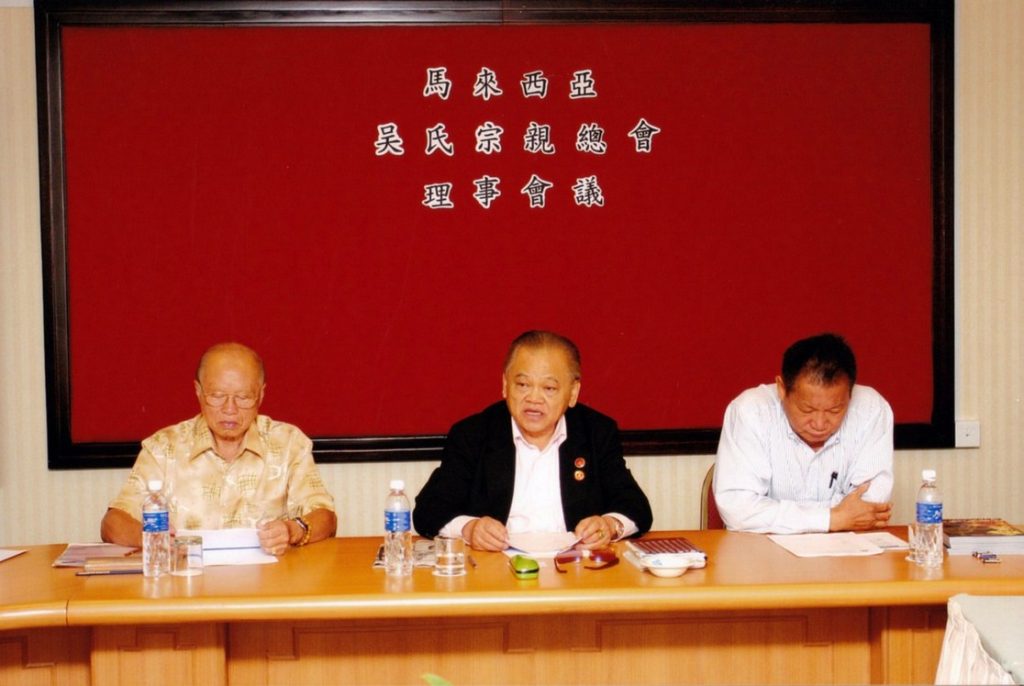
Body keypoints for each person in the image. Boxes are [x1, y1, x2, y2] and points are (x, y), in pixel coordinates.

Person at [413, 330, 653, 551]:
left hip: (576, 569)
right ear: (505, 385)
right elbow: (428, 510)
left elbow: (636, 507)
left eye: (549, 388)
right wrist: (470, 528)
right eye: (523, 384)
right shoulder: (473, 434)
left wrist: (609, 525)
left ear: (573, 393)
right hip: (497, 570)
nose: (534, 398)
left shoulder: (596, 432)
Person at [101, 342, 336, 555]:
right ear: (198, 391)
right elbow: (112, 523)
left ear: (261, 395)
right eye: (217, 396)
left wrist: (292, 530)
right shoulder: (164, 447)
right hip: (186, 580)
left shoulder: (288, 443)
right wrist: (153, 539)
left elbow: (326, 517)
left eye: (244, 397)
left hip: (269, 583)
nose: (230, 409)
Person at [713, 333, 893, 534]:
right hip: (761, 550)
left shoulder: (871, 410)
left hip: (847, 548)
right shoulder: (750, 411)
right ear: (782, 389)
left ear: (851, 393)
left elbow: (869, 505)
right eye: (807, 410)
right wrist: (832, 518)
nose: (819, 424)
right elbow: (738, 509)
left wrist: (775, 513)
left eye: (834, 410)